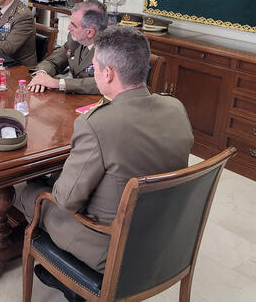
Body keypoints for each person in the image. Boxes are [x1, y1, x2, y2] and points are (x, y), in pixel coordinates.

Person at [20, 25, 194, 300]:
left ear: (109, 73)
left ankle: (69, 280)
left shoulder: (98, 123)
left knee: (30, 194)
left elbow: (66, 200)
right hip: (165, 237)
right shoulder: (176, 108)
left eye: (96, 67)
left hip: (111, 247)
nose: (95, 72)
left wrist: (47, 180)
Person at [28, 0, 107, 94]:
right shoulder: (75, 39)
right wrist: (42, 75)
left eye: (74, 25)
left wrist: (58, 83)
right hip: (75, 99)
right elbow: (53, 61)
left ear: (89, 32)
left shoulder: (112, 48)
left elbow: (103, 83)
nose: (69, 27)